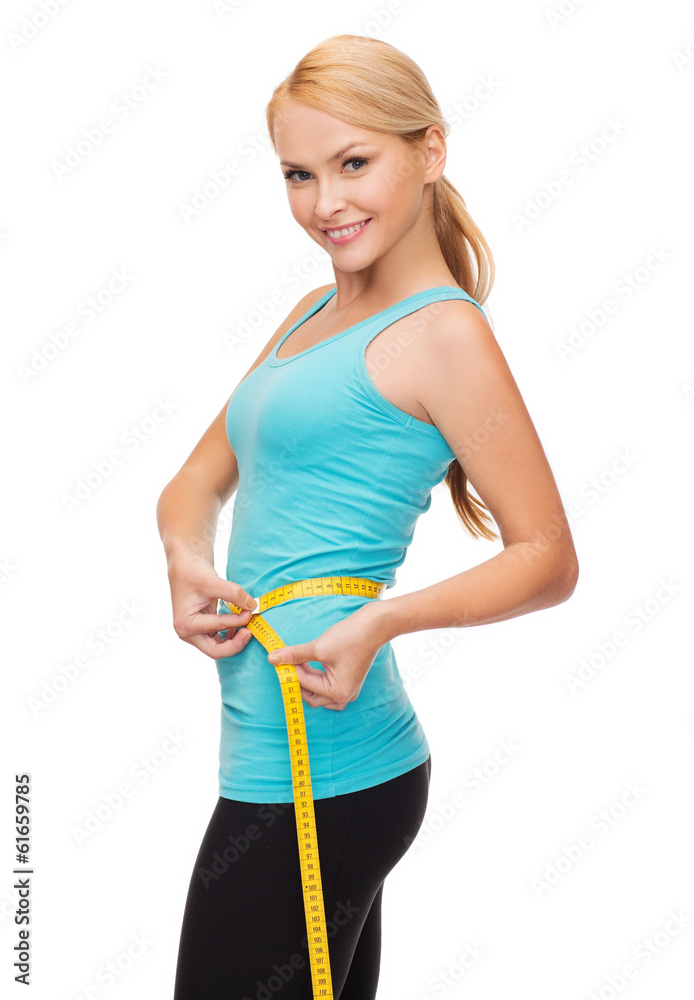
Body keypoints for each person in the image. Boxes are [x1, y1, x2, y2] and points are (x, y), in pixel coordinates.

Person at [156, 33, 579, 1000]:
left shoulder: (444, 333)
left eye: (354, 163)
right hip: (278, 757)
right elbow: (191, 484)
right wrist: (187, 558)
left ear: (430, 150)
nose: (325, 203)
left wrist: (381, 619)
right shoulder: (312, 312)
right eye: (298, 174)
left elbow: (549, 557)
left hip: (329, 767)